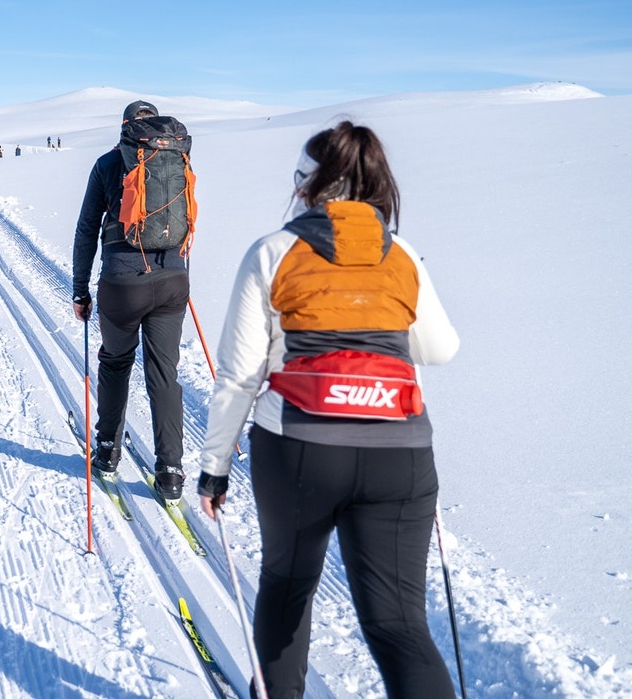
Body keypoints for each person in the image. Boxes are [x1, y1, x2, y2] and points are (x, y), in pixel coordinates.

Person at [196, 122, 460, 699]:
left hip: (299, 449)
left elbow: (240, 376)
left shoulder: (275, 251)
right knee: (399, 625)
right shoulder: (403, 253)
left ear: (309, 183)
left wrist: (215, 466)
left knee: (287, 585)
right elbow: (440, 349)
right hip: (401, 453)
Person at [71, 100, 192, 499]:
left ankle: (107, 452)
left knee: (116, 362)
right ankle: (171, 471)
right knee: (163, 373)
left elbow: (87, 230)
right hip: (173, 280)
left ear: (124, 127)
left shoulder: (108, 164)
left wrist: (80, 289)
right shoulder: (177, 157)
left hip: (122, 284)